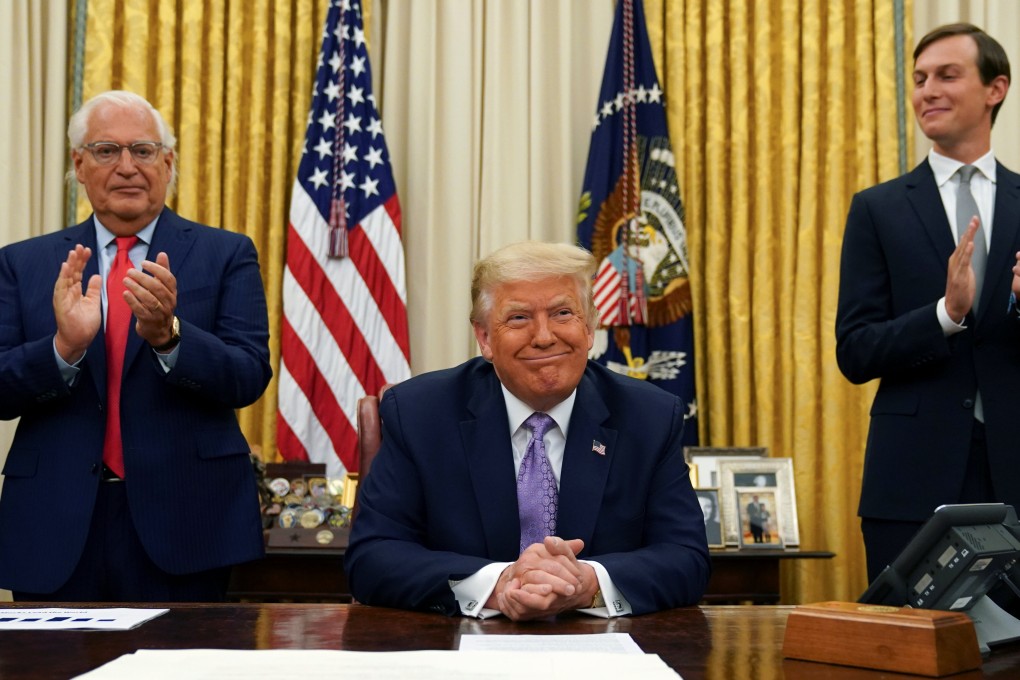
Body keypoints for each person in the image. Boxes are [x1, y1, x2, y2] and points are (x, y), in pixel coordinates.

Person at [0, 90, 272, 601]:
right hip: (55, 524)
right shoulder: (23, 263)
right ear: (79, 165)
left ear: (168, 164)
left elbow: (249, 374)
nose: (127, 166)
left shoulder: (226, 253)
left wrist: (171, 338)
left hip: (187, 523)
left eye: (143, 151)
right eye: (106, 151)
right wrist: (63, 348)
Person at [345, 241, 710, 620]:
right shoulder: (420, 413)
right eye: (519, 318)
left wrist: (588, 584)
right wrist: (497, 584)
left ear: (589, 327)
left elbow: (686, 558)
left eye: (563, 313)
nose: (544, 336)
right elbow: (372, 557)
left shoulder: (648, 416)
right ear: (485, 337)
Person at [836, 24, 1020, 583]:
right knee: (906, 657)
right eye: (919, 79)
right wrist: (946, 315)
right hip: (911, 480)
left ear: (996, 89)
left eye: (947, 75)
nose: (927, 91)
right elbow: (856, 350)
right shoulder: (878, 209)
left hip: (1013, 469)